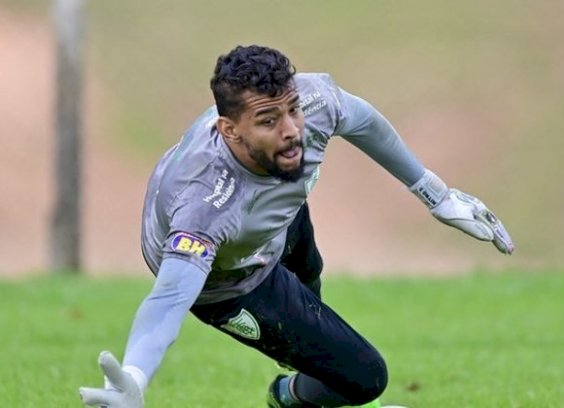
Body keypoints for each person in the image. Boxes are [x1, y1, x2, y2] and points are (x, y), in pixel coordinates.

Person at [78, 44, 514, 408]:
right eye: (269, 120)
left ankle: (315, 370)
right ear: (229, 131)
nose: (292, 132)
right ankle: (288, 398)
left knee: (312, 294)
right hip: (229, 279)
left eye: (292, 110)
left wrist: (436, 195)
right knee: (366, 378)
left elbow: (363, 122)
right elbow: (171, 294)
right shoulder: (205, 207)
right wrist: (135, 372)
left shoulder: (310, 102)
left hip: (276, 221)